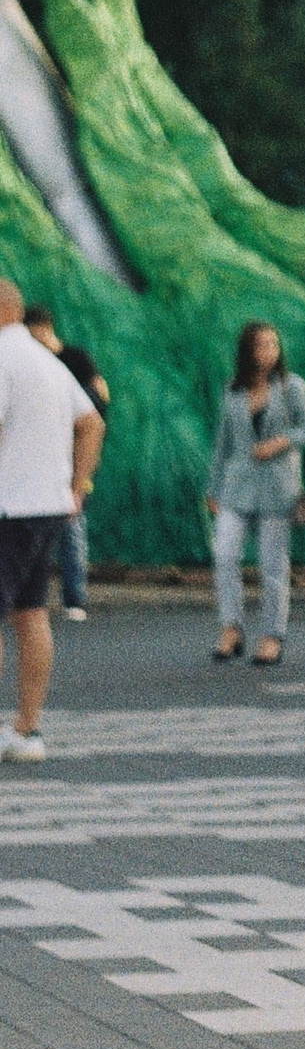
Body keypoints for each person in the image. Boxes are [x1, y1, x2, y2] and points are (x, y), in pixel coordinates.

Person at [0, 281, 102, 760]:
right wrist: (77, 486)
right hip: (47, 505)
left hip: (8, 506)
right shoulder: (49, 362)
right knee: (31, 613)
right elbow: (93, 422)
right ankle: (27, 729)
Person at [208, 321, 305, 667]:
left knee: (273, 565)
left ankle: (272, 635)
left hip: (277, 487)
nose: (268, 352)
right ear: (247, 351)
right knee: (224, 554)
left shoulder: (292, 387)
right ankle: (231, 627)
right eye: (261, 345)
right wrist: (213, 487)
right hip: (237, 485)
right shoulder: (233, 390)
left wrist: (281, 442)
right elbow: (223, 443)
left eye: (273, 344)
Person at [24, 306, 105, 623]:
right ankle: (31, 599)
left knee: (72, 526)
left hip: (73, 458)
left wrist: (85, 466)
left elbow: (97, 410)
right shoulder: (32, 364)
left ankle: (75, 598)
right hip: (41, 455)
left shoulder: (75, 360)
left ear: (45, 329)